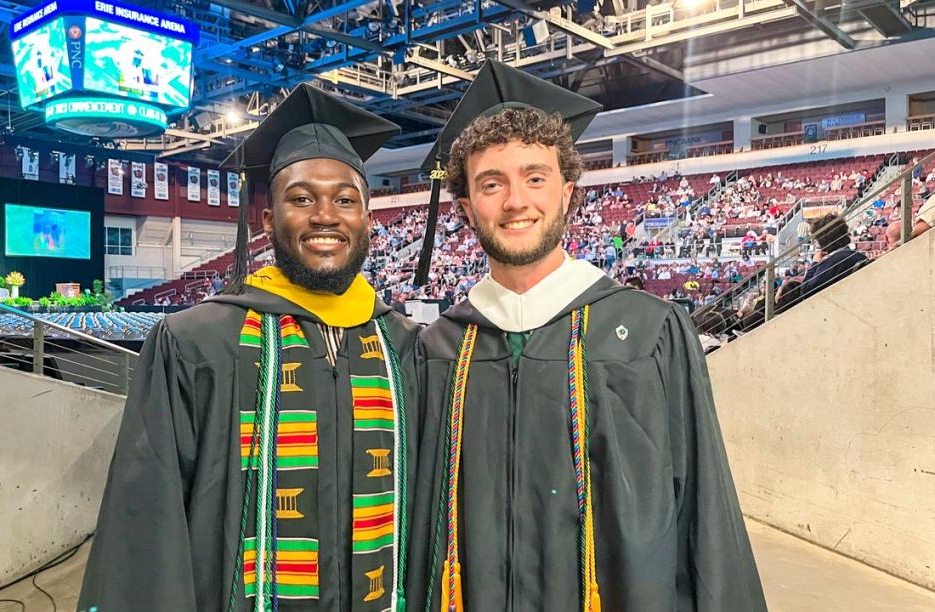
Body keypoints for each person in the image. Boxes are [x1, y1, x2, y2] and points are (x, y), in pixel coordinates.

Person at [406, 60, 765, 612]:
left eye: (535, 177)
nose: (516, 201)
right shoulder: (438, 351)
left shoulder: (649, 334)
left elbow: (705, 512)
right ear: (464, 209)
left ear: (568, 193)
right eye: (492, 184)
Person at [79, 84, 419, 612]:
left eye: (345, 200)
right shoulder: (196, 343)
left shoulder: (406, 347)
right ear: (267, 223)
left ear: (368, 222)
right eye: (301, 198)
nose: (325, 215)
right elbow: (147, 522)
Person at [801, 213, 868, 298]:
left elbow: (806, 291)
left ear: (822, 240)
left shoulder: (834, 261)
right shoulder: (859, 256)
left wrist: (815, 263)